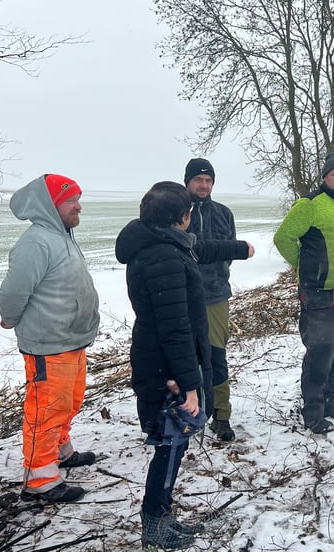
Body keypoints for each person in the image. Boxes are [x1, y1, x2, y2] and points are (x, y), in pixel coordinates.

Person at [115, 181, 252, 548]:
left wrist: (240, 248)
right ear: (181, 217)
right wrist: (190, 385)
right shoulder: (164, 258)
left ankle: (161, 515)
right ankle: (154, 524)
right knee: (171, 444)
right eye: (189, 211)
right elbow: (175, 329)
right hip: (166, 369)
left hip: (164, 362)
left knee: (175, 444)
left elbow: (203, 248)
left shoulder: (164, 244)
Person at [0, 174, 100, 503]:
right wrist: (10, 318)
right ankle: (40, 479)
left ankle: (60, 451)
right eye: (70, 200)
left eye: (78, 199)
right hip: (48, 345)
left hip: (70, 340)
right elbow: (12, 292)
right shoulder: (36, 242)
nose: (78, 206)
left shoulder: (61, 236)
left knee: (69, 402)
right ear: (50, 205)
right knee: (46, 410)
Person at [273, 153, 334, 435]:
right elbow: (283, 238)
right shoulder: (310, 204)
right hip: (320, 292)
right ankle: (312, 410)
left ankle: (328, 401)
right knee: (321, 351)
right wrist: (306, 266)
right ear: (325, 178)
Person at [184, 158, 254, 442]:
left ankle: (221, 415)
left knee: (216, 355)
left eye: (208, 180)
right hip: (182, 297)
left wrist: (217, 274)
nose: (203, 185)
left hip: (215, 295)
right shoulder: (178, 212)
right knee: (183, 356)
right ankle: (185, 414)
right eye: (198, 180)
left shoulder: (224, 213)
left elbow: (228, 253)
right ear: (187, 182)